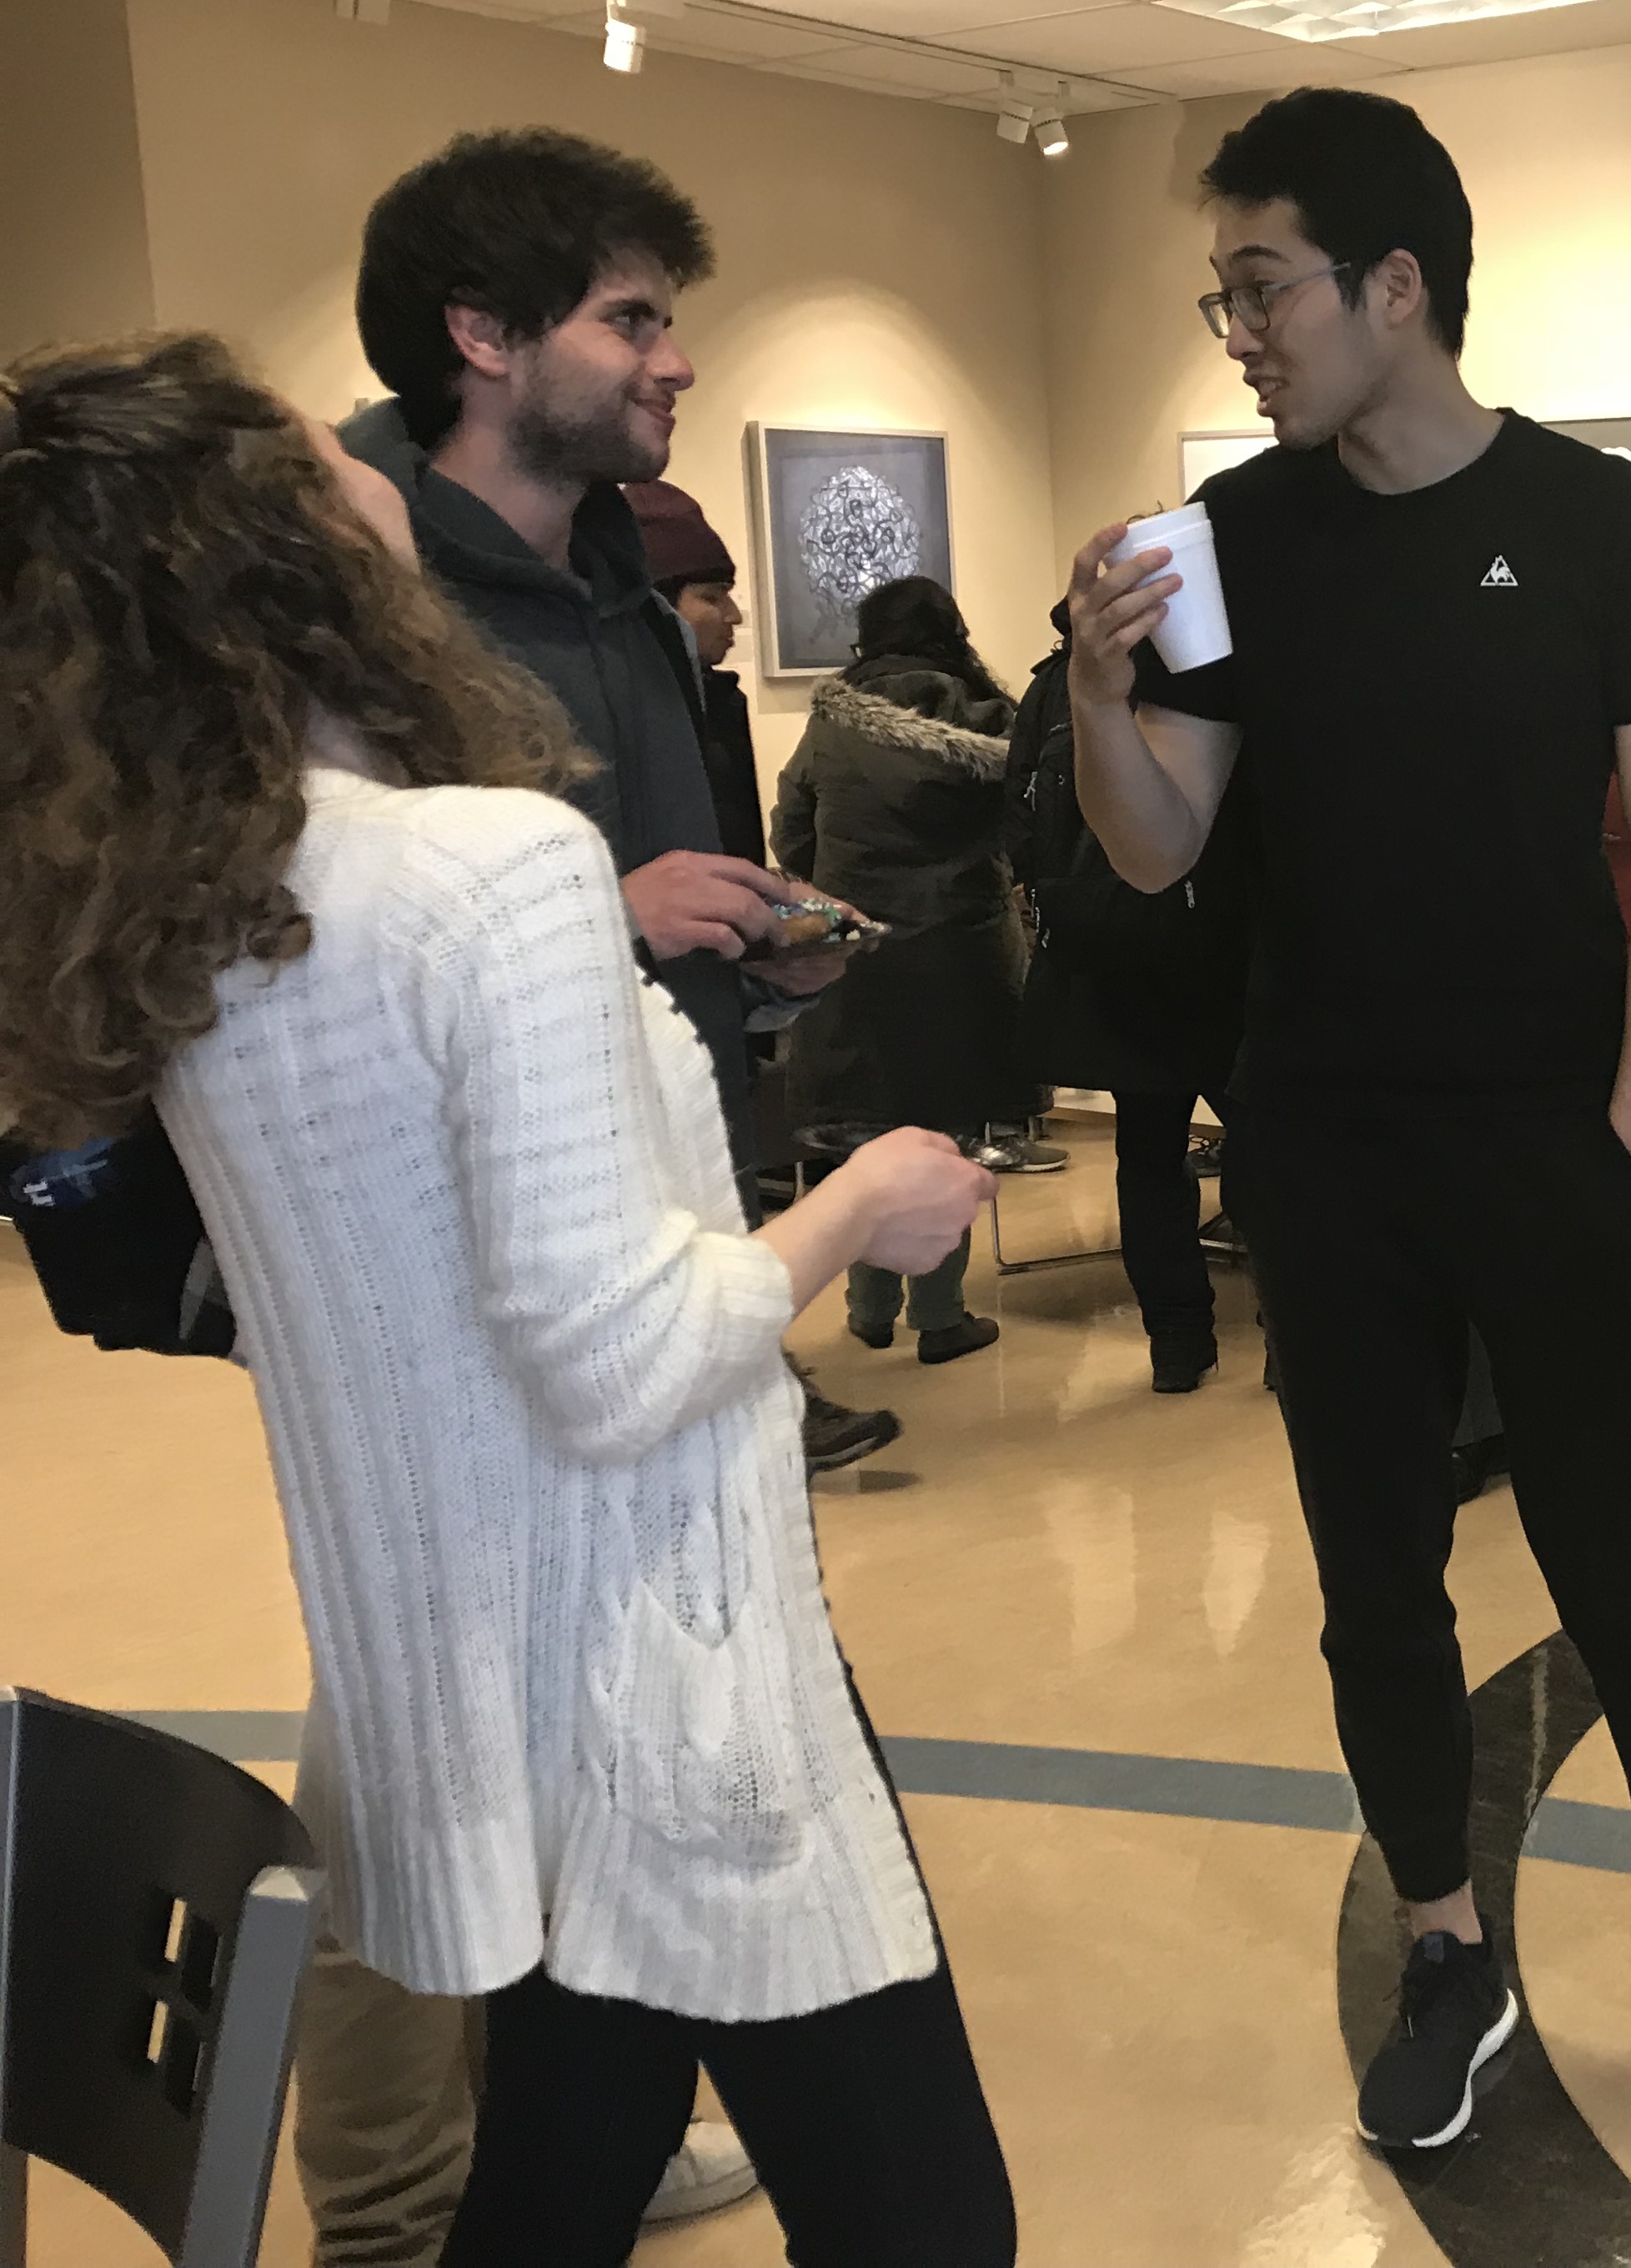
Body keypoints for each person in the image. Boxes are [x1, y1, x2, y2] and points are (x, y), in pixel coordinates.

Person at [0, 334, 1015, 2268]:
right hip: (657, 1676)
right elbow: (622, 1360)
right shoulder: (490, 869)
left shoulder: (202, 909)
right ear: (284, 540)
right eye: (319, 447)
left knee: (558, 2170)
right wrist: (857, 1209)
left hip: (467, 1693)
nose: (364, 457)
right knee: (926, 2224)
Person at [1061, 87, 1631, 2165]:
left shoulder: (1602, 526)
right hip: (1327, 1149)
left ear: (1394, 286)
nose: (1241, 333)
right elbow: (1159, 846)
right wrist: (1096, 696)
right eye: (1224, 297)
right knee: (1375, 1580)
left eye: (1264, 289)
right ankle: (1445, 1948)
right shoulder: (1233, 541)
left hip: (1554, 1138)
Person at [313, 123, 898, 2265]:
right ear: (482, 337)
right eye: (632, 319)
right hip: (466, 1288)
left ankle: (583, 2131)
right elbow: (326, 959)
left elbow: (643, 904)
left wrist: (745, 940)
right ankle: (393, 2212)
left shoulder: (627, 586)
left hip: (659, 1233)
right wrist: (594, 907)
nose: (676, 361)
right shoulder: (353, 592)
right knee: (428, 1749)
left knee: (612, 1737)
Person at [776, 575, 1031, 1366]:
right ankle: (941, 1315)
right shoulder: (992, 720)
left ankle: (870, 1308)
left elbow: (791, 830)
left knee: (869, 1138)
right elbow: (1028, 831)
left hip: (861, 953)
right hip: (961, 954)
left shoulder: (833, 722)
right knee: (946, 1136)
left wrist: (839, 891)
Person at [1007, 595, 1250, 1392]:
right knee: (1269, 1145)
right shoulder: (1208, 668)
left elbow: (1020, 821)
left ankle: (1177, 1344)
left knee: (1147, 1155)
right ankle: (1288, 1342)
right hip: (1221, 951)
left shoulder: (1056, 684)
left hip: (1114, 956)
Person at [625, 476, 766, 868]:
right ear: (658, 603)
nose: (734, 615)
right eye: (712, 596)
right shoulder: (630, 709)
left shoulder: (721, 698)